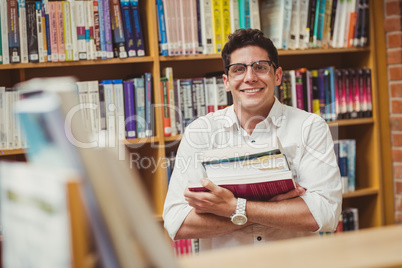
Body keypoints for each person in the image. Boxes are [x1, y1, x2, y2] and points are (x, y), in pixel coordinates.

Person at [163, 28, 342, 251]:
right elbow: (177, 222)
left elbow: (325, 215)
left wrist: (231, 206)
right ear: (226, 82)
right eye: (239, 69)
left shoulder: (310, 127)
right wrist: (271, 209)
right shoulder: (201, 131)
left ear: (277, 76)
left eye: (260, 67)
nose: (250, 77)